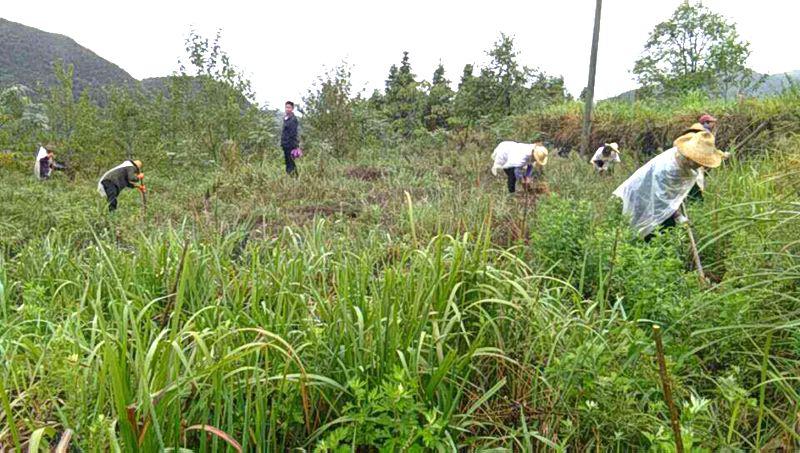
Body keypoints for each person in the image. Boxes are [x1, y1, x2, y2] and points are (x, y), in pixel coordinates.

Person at [613, 130, 728, 240]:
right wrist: (679, 216)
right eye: (700, 162)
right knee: (656, 229)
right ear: (690, 159)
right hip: (642, 194)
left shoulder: (682, 159)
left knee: (666, 227)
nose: (701, 165)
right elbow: (662, 201)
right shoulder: (668, 169)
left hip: (654, 192)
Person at [281, 101, 300, 176]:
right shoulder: (286, 118)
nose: (287, 109)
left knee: (290, 162)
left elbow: (293, 134)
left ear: (292, 109)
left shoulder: (293, 119)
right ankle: (290, 176)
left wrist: (294, 145)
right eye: (286, 107)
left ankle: (294, 177)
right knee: (288, 162)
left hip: (290, 144)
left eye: (289, 107)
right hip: (285, 144)